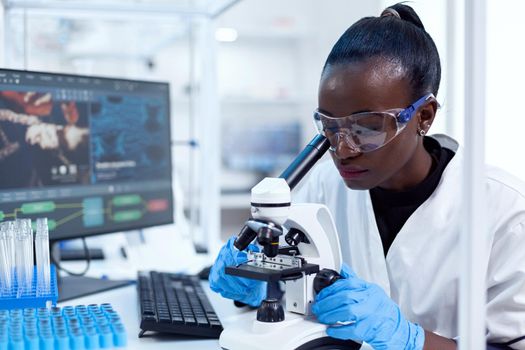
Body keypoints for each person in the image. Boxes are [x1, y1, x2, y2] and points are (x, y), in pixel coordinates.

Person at [209, 3, 525, 349]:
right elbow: (289, 296)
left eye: (368, 127)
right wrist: (254, 286)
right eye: (330, 126)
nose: (343, 150)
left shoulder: (504, 211)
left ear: (424, 116)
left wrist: (411, 341)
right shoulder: (320, 186)